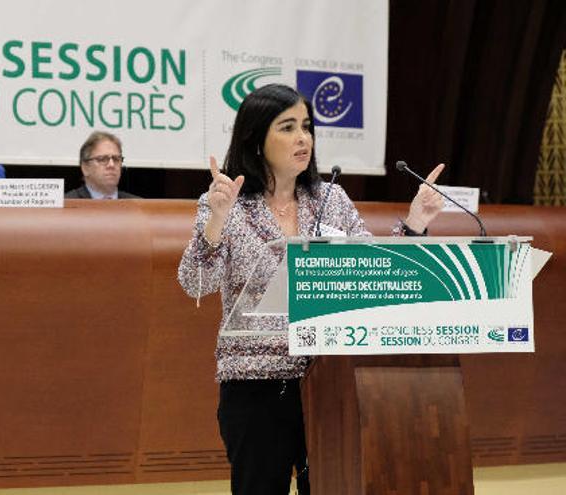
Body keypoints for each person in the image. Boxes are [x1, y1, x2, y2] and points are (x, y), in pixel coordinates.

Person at [177, 83, 445, 495]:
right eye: (287, 128)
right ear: (255, 137)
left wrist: (414, 223)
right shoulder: (228, 204)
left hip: (329, 380)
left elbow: (376, 275)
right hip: (256, 386)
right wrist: (215, 221)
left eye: (306, 126)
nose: (303, 138)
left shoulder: (330, 199)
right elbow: (196, 282)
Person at [65, 131, 139, 199]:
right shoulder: (66, 204)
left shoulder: (138, 206)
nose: (111, 165)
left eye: (116, 159)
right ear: (85, 168)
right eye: (102, 159)